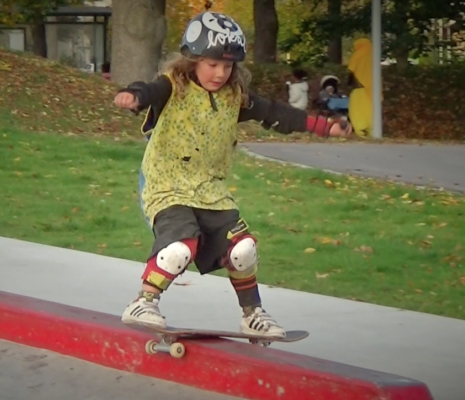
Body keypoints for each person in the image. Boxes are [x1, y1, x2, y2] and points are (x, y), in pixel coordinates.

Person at [113, 11, 351, 338]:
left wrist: (323, 125)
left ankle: (252, 314)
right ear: (193, 59)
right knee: (180, 248)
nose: (220, 73)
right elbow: (150, 90)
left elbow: (275, 114)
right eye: (212, 64)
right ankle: (144, 301)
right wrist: (135, 96)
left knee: (243, 249)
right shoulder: (174, 86)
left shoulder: (234, 97)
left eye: (228, 67)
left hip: (210, 190)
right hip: (166, 186)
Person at [347, 38, 382, 138]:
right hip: (372, 90)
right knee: (370, 110)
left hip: (359, 89)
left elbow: (351, 72)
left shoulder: (358, 55)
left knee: (357, 110)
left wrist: (349, 84)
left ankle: (360, 129)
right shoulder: (374, 56)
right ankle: (372, 130)